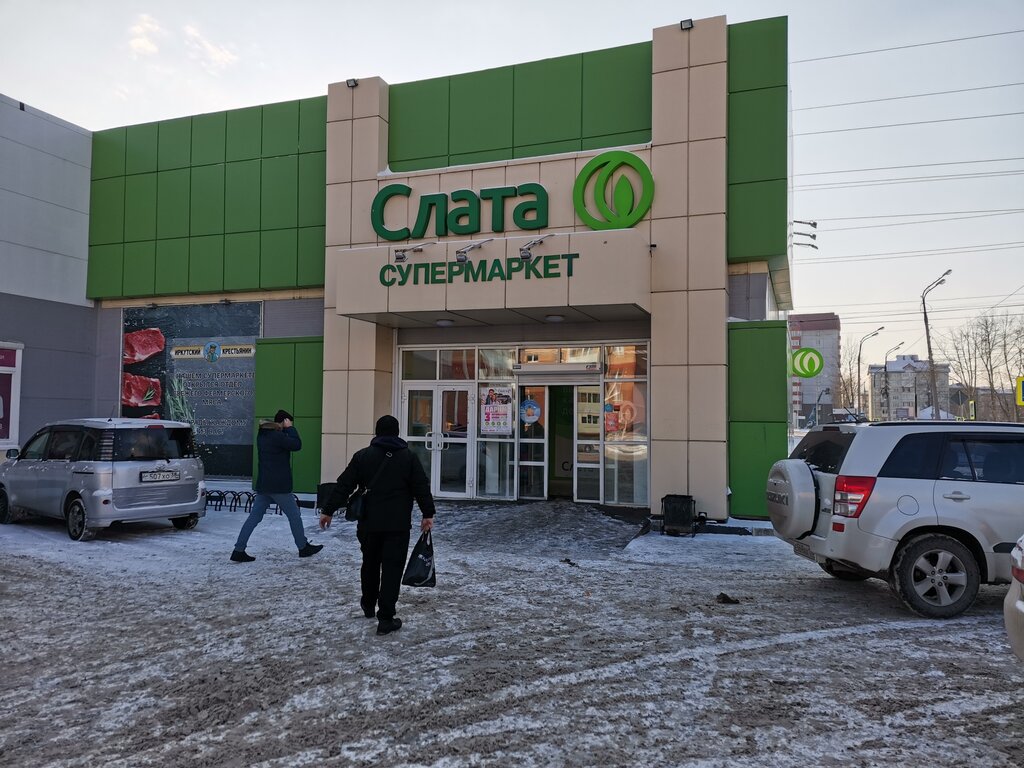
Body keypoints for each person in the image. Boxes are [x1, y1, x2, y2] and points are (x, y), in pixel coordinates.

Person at [319, 414, 435, 636]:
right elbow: (421, 486)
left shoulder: (363, 457)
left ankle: (368, 603)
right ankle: (386, 617)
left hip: (369, 523)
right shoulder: (408, 458)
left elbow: (344, 484)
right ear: (397, 432)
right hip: (397, 524)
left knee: (369, 563)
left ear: (376, 432)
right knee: (392, 568)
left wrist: (328, 510)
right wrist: (427, 514)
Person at [231, 409, 323, 562]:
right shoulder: (277, 436)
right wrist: (290, 428)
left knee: (254, 517)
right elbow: (297, 444)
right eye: (288, 422)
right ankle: (303, 547)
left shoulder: (263, 435)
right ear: (283, 422)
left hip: (264, 485)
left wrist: (285, 429)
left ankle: (238, 549)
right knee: (294, 516)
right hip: (278, 486)